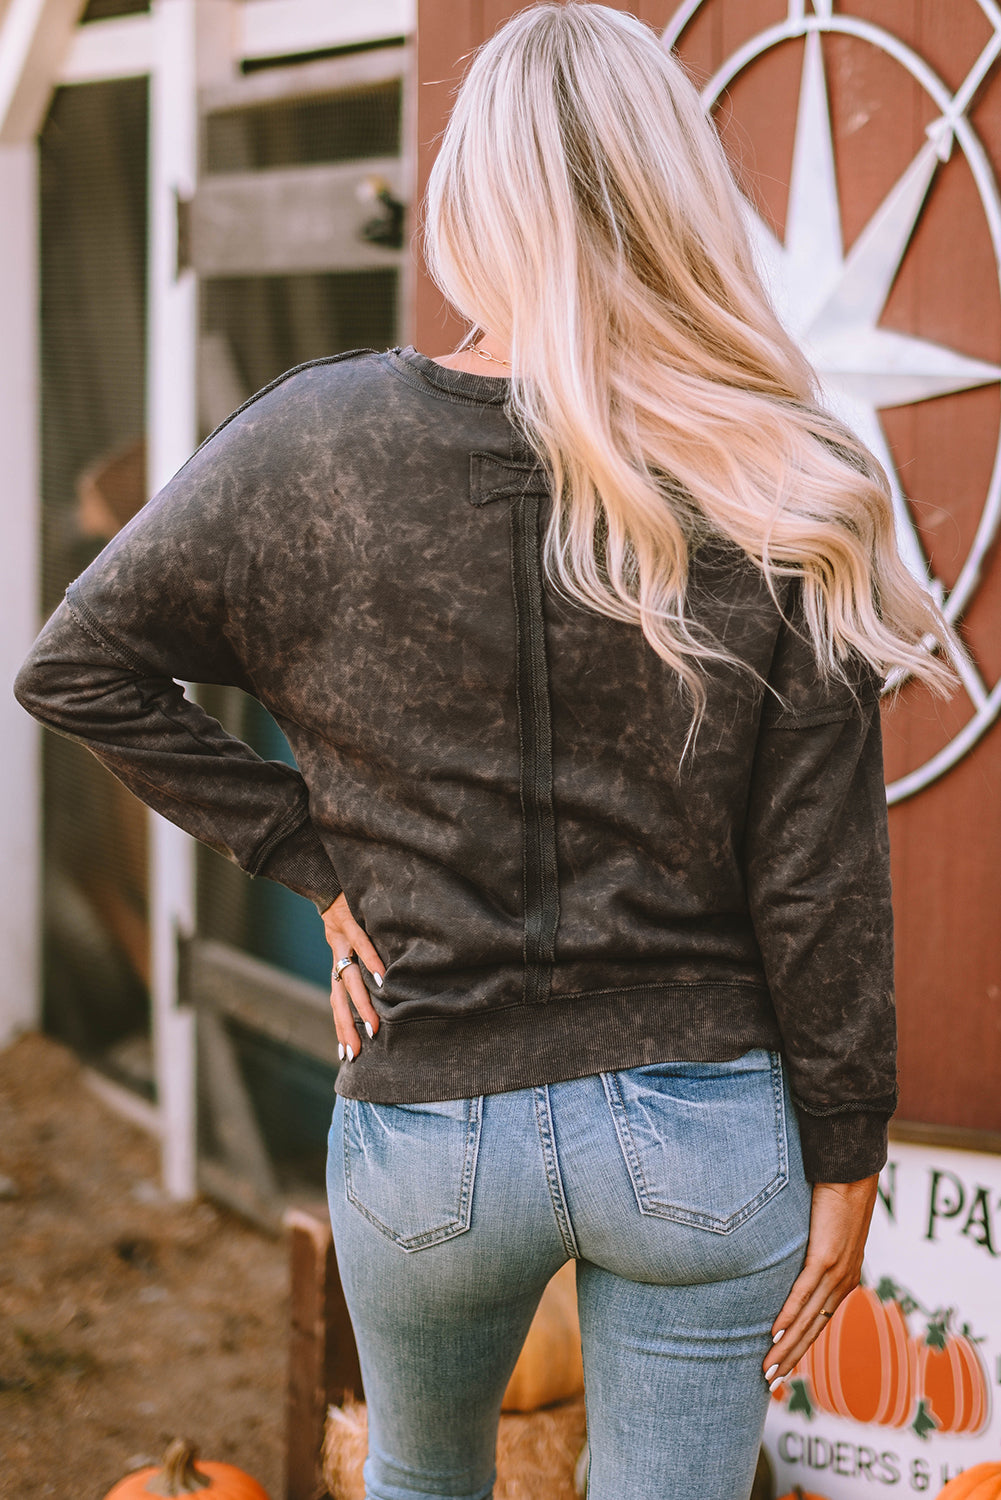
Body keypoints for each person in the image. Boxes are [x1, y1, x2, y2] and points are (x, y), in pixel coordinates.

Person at [14, 5, 958, 1498]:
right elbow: (818, 879)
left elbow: (75, 666)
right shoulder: (779, 472)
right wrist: (846, 1148)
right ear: (668, 199)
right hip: (704, 1138)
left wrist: (313, 860)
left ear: (472, 196)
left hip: (426, 1130)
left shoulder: (316, 444)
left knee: (416, 1480)